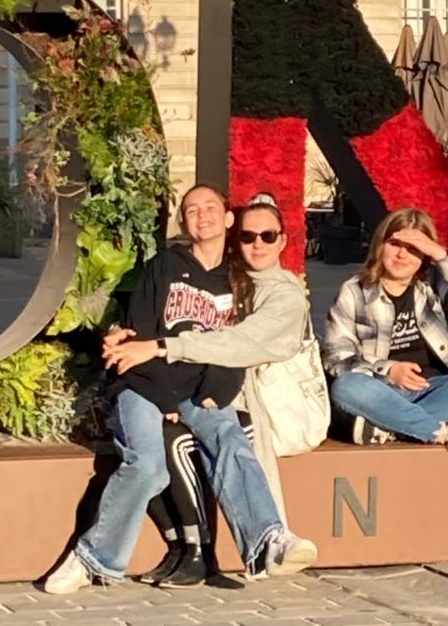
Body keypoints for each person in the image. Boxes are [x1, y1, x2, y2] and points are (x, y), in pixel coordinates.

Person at [44, 185, 316, 595]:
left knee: (229, 439)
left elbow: (237, 346)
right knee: (147, 464)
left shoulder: (241, 280)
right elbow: (137, 339)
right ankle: (92, 558)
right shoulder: (164, 266)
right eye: (191, 209)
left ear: (228, 219)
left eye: (211, 208)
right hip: (145, 384)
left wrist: (216, 388)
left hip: (203, 390)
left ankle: (268, 540)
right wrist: (165, 399)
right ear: (184, 222)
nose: (202, 215)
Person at [323, 207, 448, 450]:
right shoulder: (354, 291)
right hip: (381, 391)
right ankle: (438, 431)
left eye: (414, 249)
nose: (402, 256)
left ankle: (390, 428)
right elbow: (336, 357)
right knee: (346, 388)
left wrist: (439, 253)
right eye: (395, 244)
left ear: (424, 256)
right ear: (380, 245)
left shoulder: (430, 286)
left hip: (432, 389)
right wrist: (389, 369)